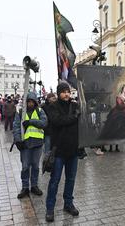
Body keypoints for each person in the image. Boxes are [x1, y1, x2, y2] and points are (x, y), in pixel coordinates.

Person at [45, 82, 80, 222]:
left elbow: (80, 121)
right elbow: (58, 121)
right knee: (55, 180)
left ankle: (68, 204)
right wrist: (74, 117)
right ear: (59, 93)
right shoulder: (53, 107)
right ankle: (49, 208)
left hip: (73, 150)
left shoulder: (75, 106)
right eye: (64, 92)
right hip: (58, 151)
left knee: (71, 180)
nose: (67, 94)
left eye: (68, 92)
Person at [13, 92, 47, 199]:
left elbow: (44, 123)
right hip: (25, 144)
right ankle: (25, 187)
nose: (30, 104)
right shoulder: (21, 112)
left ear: (35, 102)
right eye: (28, 101)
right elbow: (16, 126)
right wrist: (18, 140)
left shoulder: (40, 111)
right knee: (25, 167)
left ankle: (34, 185)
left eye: (32, 101)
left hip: (37, 144)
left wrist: (30, 122)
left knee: (36, 166)